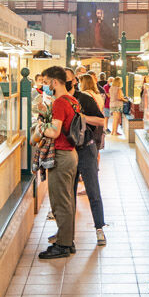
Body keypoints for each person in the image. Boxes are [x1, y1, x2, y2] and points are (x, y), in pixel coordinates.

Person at [47, 69, 109, 246]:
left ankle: (99, 228)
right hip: (68, 151)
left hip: (86, 149)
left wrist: (81, 117)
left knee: (92, 190)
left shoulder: (84, 99)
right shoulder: (57, 101)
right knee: (68, 193)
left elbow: (100, 120)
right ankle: (65, 233)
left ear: (73, 81)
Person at [38, 66, 80, 259]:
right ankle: (66, 239)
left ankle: (63, 245)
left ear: (54, 82)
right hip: (71, 155)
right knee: (67, 200)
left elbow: (54, 132)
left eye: (46, 82)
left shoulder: (60, 103)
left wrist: (40, 126)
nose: (45, 86)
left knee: (60, 201)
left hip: (62, 156)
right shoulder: (73, 101)